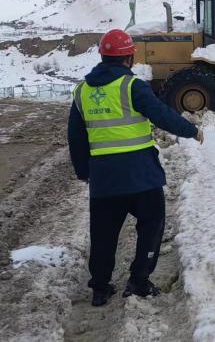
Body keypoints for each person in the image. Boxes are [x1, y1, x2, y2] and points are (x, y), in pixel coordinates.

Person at [67, 29, 204, 307]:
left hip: (105, 179)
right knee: (152, 223)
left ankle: (100, 287)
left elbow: (76, 137)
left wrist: (84, 171)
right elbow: (162, 115)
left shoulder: (82, 91)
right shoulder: (132, 86)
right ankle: (139, 281)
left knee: (103, 234)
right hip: (141, 175)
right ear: (129, 57)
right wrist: (192, 130)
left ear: (102, 56)